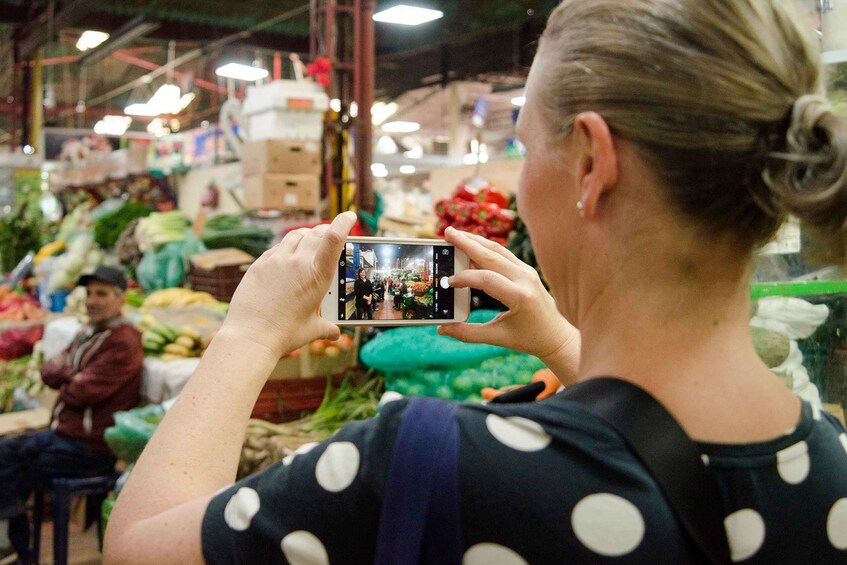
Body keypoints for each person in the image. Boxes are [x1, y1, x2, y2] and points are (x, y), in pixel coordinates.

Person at [104, 1, 847, 563]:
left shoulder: (425, 463)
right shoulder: (829, 463)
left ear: (590, 163)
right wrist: (558, 336)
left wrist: (250, 331)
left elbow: (138, 547)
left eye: (523, 148)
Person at [0, 266, 143, 564]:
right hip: (62, 437)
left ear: (120, 298)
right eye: (89, 293)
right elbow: (47, 371)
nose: (92, 300)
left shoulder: (123, 341)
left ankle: (14, 549)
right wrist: (71, 375)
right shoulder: (87, 333)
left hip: (89, 449)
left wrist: (67, 377)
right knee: (8, 454)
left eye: (101, 293)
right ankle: (15, 548)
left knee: (10, 462)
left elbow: (81, 392)